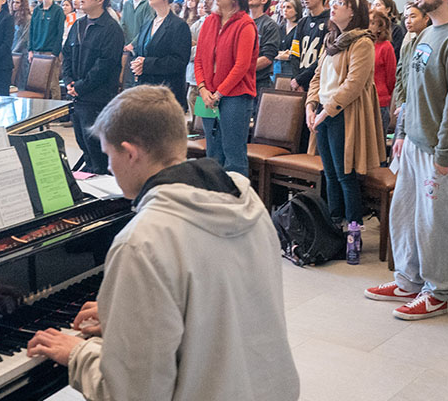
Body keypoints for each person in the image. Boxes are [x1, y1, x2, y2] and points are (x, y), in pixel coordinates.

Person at [26, 85, 300, 401]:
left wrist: (79, 353)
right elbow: (223, 306)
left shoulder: (142, 241)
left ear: (130, 153)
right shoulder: (244, 200)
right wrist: (129, 317)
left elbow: (131, 394)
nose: (110, 167)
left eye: (109, 155)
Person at [365, 0, 448, 320]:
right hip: (412, 142)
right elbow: (413, 92)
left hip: (438, 150)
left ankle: (437, 291)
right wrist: (400, 134)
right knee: (405, 214)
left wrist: (445, 154)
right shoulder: (425, 34)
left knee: (435, 222)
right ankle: (408, 280)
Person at [306, 0, 384, 251]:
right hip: (324, 114)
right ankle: (334, 226)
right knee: (329, 173)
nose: (335, 6)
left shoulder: (362, 42)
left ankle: (353, 232)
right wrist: (310, 106)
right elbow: (317, 76)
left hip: (343, 115)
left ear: (353, 11)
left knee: (345, 175)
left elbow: (353, 84)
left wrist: (325, 110)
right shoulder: (331, 39)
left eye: (341, 3)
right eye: (335, 2)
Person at [194, 0, 258, 177]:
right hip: (208, 95)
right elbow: (199, 60)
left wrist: (219, 93)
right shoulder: (209, 22)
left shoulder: (245, 24)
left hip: (235, 96)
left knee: (233, 154)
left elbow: (241, 65)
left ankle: (236, 203)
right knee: (213, 153)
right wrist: (203, 89)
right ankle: (215, 201)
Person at [62, 0, 125, 174]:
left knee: (97, 149)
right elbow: (67, 55)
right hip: (78, 96)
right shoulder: (79, 24)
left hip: (97, 98)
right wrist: (69, 81)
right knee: (83, 144)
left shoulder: (111, 29)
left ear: (100, 0)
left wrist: (80, 86)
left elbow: (104, 66)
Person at [131, 0, 192, 108]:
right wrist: (137, 63)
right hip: (144, 90)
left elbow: (179, 62)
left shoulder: (178, 25)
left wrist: (146, 64)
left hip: (166, 93)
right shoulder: (148, 23)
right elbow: (140, 51)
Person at [391, 3, 430, 124]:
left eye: (413, 16)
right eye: (406, 17)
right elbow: (399, 77)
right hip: (405, 106)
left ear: (426, 18)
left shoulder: (430, 45)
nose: (408, 21)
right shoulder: (407, 47)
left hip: (423, 108)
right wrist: (401, 104)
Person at [290, 0, 330, 92]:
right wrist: (296, 79)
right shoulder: (302, 22)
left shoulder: (329, 22)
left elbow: (323, 57)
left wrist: (301, 79)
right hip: (299, 81)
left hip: (318, 81)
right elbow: (294, 53)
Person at [28, 0, 65, 99]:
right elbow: (32, 31)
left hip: (50, 51)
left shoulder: (58, 10)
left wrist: (55, 52)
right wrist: (30, 50)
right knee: (37, 83)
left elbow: (59, 33)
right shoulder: (37, 10)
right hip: (37, 50)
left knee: (53, 84)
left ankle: (58, 113)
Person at [247, 0, 281, 101]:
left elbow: (267, 58)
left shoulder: (269, 25)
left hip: (259, 82)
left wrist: (241, 69)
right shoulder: (242, 21)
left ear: (264, 0)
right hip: (240, 81)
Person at [121, 0, 155, 89]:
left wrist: (133, 44)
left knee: (138, 81)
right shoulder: (127, 4)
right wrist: (123, 42)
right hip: (127, 48)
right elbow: (123, 24)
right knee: (127, 81)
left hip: (141, 46)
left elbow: (146, 27)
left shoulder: (147, 4)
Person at [368, 8, 397, 132]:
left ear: (380, 27)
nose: (368, 25)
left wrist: (387, 97)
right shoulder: (363, 44)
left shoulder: (386, 46)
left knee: (378, 140)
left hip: (380, 100)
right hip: (364, 100)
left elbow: (391, 77)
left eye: (372, 23)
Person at [186, 0, 214, 115]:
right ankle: (196, 131)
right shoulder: (197, 24)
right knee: (191, 99)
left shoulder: (216, 22)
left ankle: (201, 131)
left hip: (211, 75)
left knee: (206, 111)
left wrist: (201, 47)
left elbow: (212, 50)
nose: (206, 2)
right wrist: (201, 48)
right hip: (194, 71)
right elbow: (187, 49)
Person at [274, 0, 302, 79]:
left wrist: (284, 54)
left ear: (296, 11)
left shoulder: (300, 29)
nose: (285, 10)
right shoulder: (279, 28)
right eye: (284, 7)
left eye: (289, 7)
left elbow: (295, 53)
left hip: (292, 68)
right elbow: (274, 50)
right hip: (277, 66)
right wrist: (281, 54)